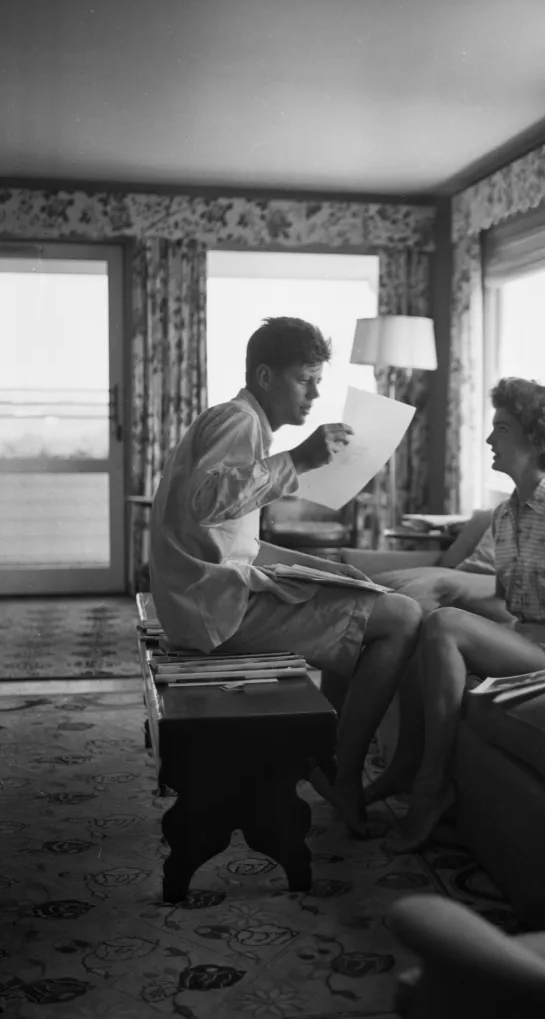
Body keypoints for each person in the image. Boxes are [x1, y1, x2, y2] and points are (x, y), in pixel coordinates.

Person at [149, 316, 422, 838]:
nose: (316, 393)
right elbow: (208, 502)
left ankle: (322, 756)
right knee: (404, 617)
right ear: (266, 376)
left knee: (365, 599)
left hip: (204, 600)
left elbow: (235, 542)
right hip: (214, 612)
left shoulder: (235, 421)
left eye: (319, 380)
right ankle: (340, 774)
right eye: (305, 379)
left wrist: (328, 570)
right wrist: (298, 459)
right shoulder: (239, 422)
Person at [374, 377, 545, 853]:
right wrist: (440, 614)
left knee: (442, 626)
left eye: (502, 427)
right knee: (420, 624)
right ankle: (404, 768)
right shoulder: (505, 516)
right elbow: (503, 603)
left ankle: (431, 785)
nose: (489, 439)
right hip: (524, 643)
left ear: (536, 438)